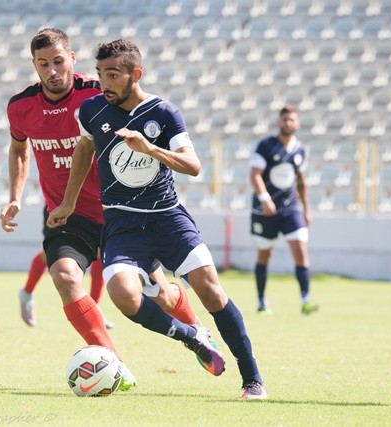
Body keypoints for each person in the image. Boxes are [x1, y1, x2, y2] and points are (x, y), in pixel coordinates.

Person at [47, 39, 267, 399]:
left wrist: (149, 148)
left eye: (113, 75)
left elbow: (193, 165)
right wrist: (68, 202)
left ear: (136, 74)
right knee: (123, 295)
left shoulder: (164, 112)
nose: (105, 83)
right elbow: (84, 148)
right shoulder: (91, 111)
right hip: (121, 224)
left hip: (168, 219)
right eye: (101, 74)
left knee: (211, 292)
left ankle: (252, 379)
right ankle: (192, 337)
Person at [1, 28, 200, 391]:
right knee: (64, 276)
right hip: (67, 213)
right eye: (43, 64)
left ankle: (197, 332)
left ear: (72, 59)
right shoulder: (20, 107)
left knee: (160, 294)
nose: (52, 71)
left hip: (119, 211)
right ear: (34, 65)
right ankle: (115, 364)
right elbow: (18, 149)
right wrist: (15, 196)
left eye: (58, 61)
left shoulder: (99, 93)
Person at [249, 104, 319, 316]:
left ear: (298, 124)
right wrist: (265, 198)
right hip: (265, 210)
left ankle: (306, 300)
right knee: (265, 254)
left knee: (300, 249)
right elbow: (254, 174)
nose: (288, 123)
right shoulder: (266, 146)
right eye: (285, 119)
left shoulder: (300, 150)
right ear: (279, 122)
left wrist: (306, 209)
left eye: (292, 120)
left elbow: (301, 182)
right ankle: (261, 301)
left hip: (291, 209)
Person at [18, 206, 114, 329]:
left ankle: (94, 306)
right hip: (59, 204)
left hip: (95, 206)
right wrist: (15, 200)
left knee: (101, 250)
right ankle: (27, 292)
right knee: (50, 254)